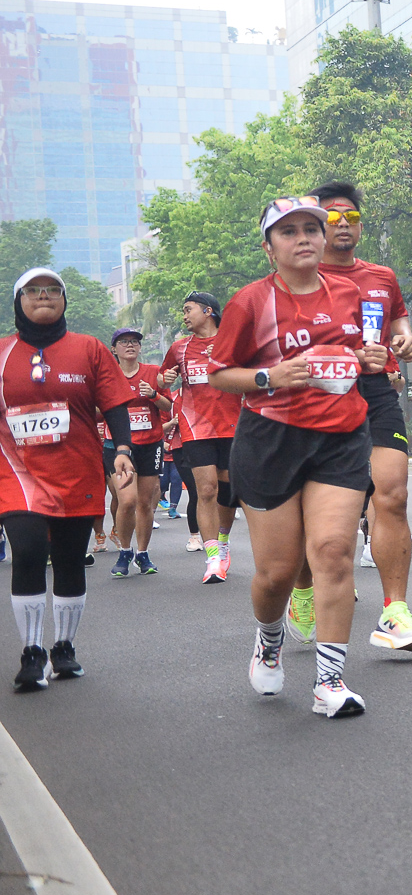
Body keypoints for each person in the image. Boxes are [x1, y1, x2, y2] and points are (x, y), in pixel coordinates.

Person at [208, 196, 389, 719]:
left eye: (312, 228)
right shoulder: (250, 302)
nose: (304, 238)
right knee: (278, 573)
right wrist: (270, 376)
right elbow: (219, 374)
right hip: (271, 441)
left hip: (340, 437)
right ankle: (269, 640)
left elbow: (357, 356)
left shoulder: (351, 293)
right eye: (289, 232)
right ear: (270, 248)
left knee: (332, 551)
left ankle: (329, 683)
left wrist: (371, 358)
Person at [301, 180, 412, 655]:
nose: (343, 225)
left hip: (374, 391)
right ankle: (302, 589)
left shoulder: (381, 276)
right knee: (315, 515)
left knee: (392, 495)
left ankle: (395, 611)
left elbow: (398, 321)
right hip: (316, 394)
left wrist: (406, 340)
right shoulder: (299, 277)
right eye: (333, 218)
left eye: (351, 217)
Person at [5, 268, 138, 689]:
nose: (43, 296)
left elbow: (114, 403)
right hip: (17, 474)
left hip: (76, 470)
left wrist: (122, 449)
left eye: (52, 290)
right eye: (33, 291)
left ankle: (63, 649)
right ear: (18, 301)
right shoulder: (2, 352)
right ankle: (31, 653)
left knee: (68, 560)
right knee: (28, 551)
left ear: (64, 300)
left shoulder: (89, 349)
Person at [161, 292, 239, 579]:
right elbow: (161, 378)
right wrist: (165, 379)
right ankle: (213, 558)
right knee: (206, 490)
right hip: (196, 427)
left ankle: (223, 542)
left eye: (188, 310)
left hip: (233, 425)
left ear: (208, 311)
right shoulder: (179, 348)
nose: (184, 316)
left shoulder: (233, 342)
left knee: (228, 493)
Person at [106, 328, 170, 578]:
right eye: (124, 342)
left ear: (140, 348)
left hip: (150, 444)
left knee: (145, 502)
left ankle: (142, 554)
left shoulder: (153, 372)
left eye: (134, 342)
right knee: (127, 501)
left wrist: (153, 395)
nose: (130, 345)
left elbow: (169, 405)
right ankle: (124, 551)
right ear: (114, 349)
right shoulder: (108, 375)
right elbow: (97, 411)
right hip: (119, 446)